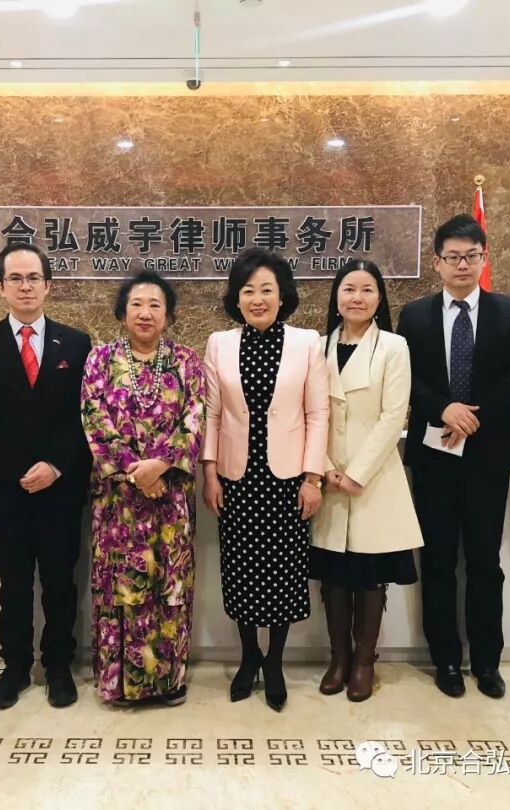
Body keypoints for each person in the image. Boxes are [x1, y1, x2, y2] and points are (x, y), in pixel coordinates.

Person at [397, 214, 510, 700]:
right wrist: (444, 409)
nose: (462, 265)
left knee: (483, 562)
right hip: (434, 456)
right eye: (452, 257)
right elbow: (406, 376)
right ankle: (447, 661)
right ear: (436, 262)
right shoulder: (414, 316)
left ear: (483, 259)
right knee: (437, 562)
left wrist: (472, 415)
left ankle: (487, 662)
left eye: (471, 256)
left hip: (488, 456)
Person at [0, 243, 92, 710]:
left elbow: (85, 415)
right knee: (13, 585)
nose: (25, 286)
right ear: (1, 287)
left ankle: (58, 667)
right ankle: (15, 667)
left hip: (60, 489)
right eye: (15, 278)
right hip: (7, 490)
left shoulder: (76, 344)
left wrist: (55, 465)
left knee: (60, 583)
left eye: (33, 277)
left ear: (48, 285)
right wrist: (21, 468)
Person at [201, 247, 329, 712]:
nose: (257, 299)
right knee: (240, 572)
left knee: (283, 574)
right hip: (236, 478)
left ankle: (274, 661)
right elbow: (213, 413)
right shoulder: (219, 343)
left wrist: (313, 478)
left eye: (267, 290)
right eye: (248, 290)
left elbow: (318, 413)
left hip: (287, 479)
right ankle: (248, 656)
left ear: (282, 295)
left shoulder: (307, 342)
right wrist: (210, 473)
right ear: (236, 298)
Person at [81, 271, 205, 706]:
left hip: (170, 500)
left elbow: (194, 419)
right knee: (122, 588)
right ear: (122, 312)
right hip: (119, 502)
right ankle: (120, 684)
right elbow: (94, 420)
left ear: (168, 314)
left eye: (155, 304)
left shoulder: (187, 361)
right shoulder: (100, 359)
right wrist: (137, 473)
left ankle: (168, 682)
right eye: (136, 304)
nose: (145, 312)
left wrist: (160, 467)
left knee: (169, 589)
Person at [310, 259, 423, 702]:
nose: (357, 298)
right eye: (348, 289)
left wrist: (356, 472)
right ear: (336, 296)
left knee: (371, 575)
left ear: (380, 298)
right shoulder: (317, 346)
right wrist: (324, 467)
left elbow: (394, 416)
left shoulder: (394, 346)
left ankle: (363, 661)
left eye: (367, 290)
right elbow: (307, 413)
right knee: (334, 576)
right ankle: (338, 658)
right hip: (326, 478)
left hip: (373, 480)